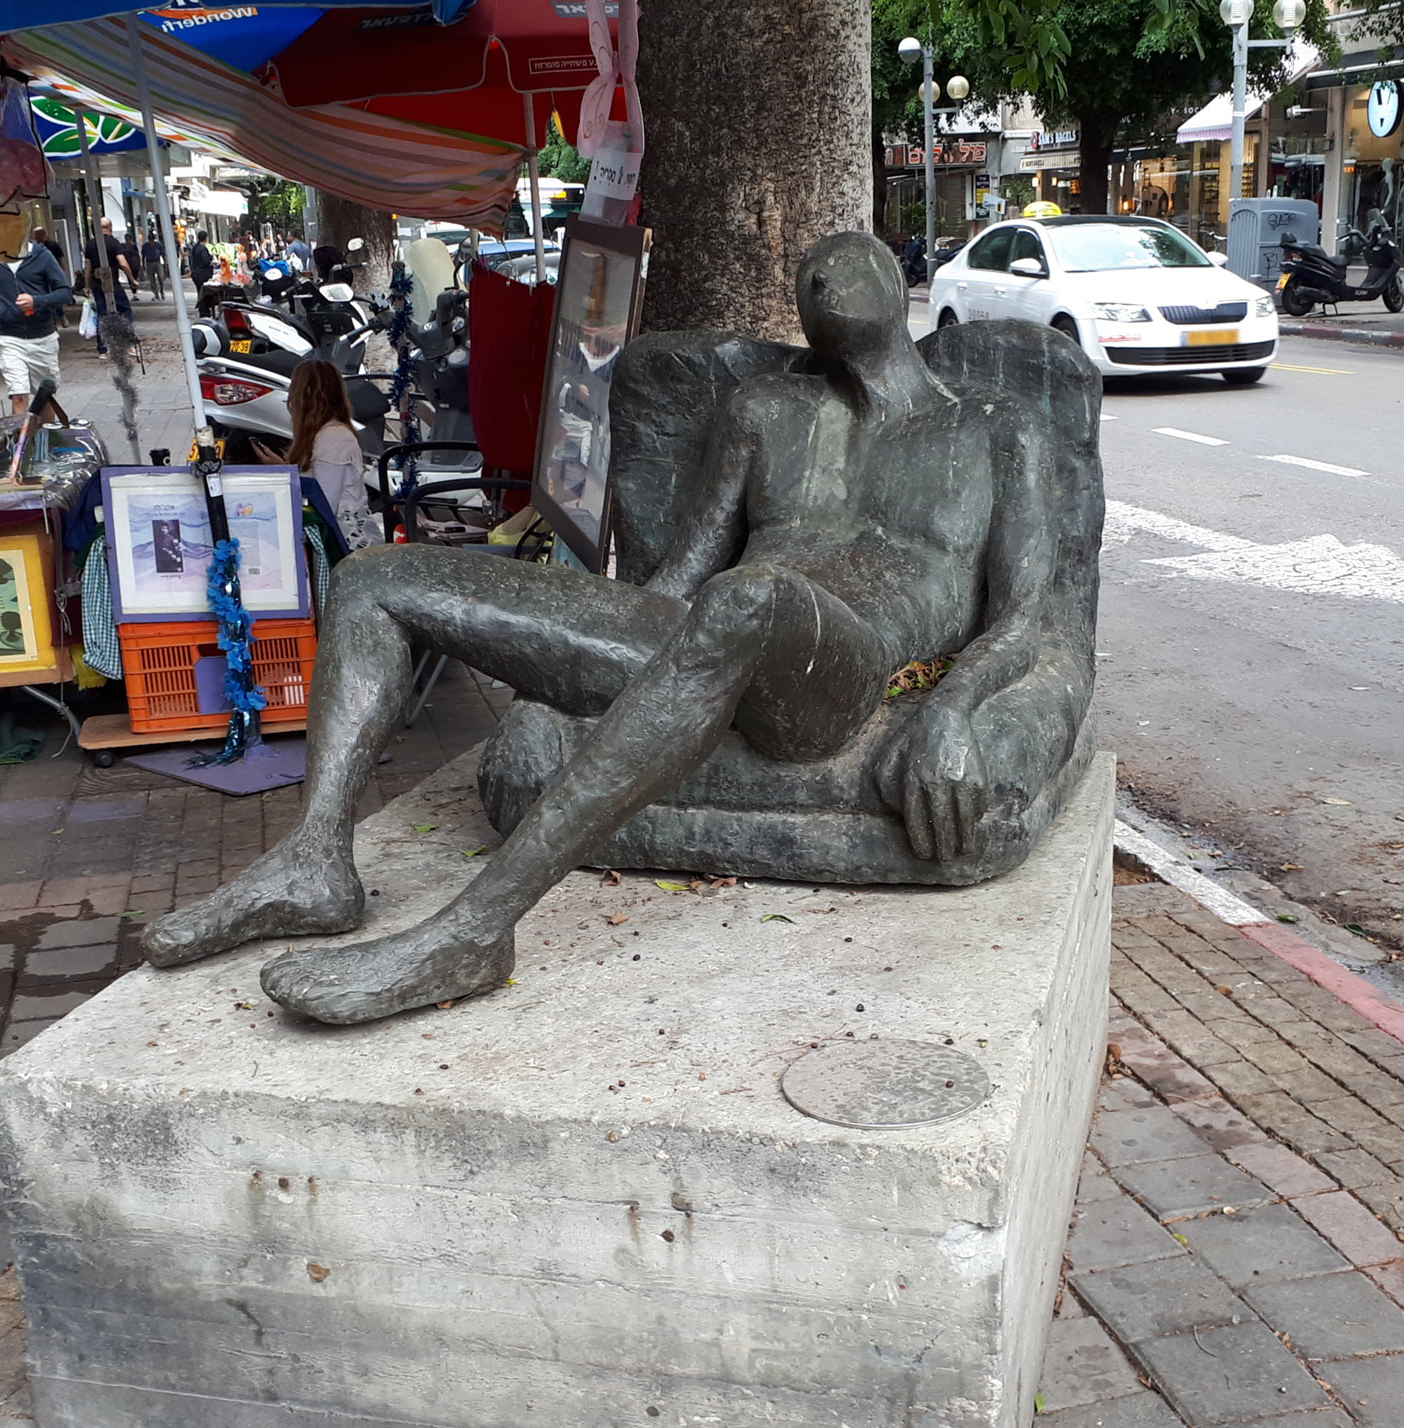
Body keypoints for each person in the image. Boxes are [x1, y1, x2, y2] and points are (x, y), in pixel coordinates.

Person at [142, 232, 1097, 1028]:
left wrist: (953, 709)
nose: (827, 278)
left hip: (827, 680)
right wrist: (547, 675)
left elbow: (1025, 612)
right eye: (812, 271)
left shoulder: (992, 427)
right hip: (701, 636)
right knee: (371, 579)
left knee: (748, 600)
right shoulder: (765, 410)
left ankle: (475, 928)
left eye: (850, 264)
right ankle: (316, 862)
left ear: (899, 285)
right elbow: (676, 576)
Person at [251, 360, 382, 554]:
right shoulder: (325, 433)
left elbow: (323, 504)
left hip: (344, 546)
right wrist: (284, 467)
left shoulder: (334, 438)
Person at [0, 234, 74, 413]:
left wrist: (36, 301)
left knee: (44, 397)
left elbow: (66, 292)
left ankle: (45, 438)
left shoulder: (42, 256)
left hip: (43, 338)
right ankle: (22, 441)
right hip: (10, 338)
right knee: (18, 394)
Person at [84, 218, 136, 358]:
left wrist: (87, 285)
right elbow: (123, 263)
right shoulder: (114, 243)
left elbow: (88, 267)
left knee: (102, 314)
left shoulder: (90, 245)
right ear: (110, 228)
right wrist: (132, 280)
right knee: (125, 310)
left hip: (96, 284)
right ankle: (128, 344)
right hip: (112, 283)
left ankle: (103, 349)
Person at [188, 233, 215, 306]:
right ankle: (204, 310)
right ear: (206, 238)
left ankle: (202, 309)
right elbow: (206, 261)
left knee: (200, 292)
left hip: (196, 274)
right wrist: (212, 263)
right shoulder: (203, 249)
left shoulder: (195, 247)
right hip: (202, 274)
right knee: (204, 294)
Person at [140, 232, 166, 300]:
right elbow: (143, 255)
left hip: (157, 262)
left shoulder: (158, 245)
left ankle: (162, 291)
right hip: (149, 262)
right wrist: (143, 265)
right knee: (151, 280)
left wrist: (164, 264)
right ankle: (156, 293)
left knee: (161, 277)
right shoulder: (145, 246)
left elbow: (163, 254)